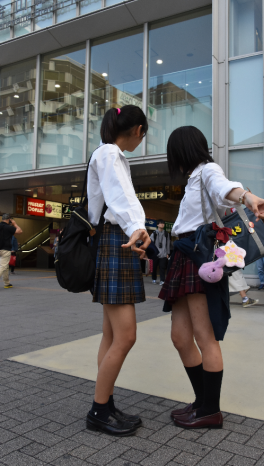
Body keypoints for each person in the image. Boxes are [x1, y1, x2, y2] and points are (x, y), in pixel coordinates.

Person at [159, 126, 264, 429]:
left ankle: (210, 410)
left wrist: (247, 196)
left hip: (199, 259)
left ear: (181, 151)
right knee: (180, 337)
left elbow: (225, 187)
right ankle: (202, 402)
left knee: (205, 337)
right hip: (184, 258)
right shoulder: (194, 178)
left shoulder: (207, 171)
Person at [86, 105, 151, 436]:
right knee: (125, 336)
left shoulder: (106, 153)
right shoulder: (110, 154)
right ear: (138, 130)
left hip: (113, 242)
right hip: (116, 242)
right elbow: (120, 198)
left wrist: (134, 227)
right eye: (144, 135)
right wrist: (137, 226)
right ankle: (99, 410)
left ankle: (105, 402)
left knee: (112, 335)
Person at [0, 214, 22, 288]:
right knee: (3, 266)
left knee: (5, 266)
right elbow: (20, 231)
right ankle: (6, 283)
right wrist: (15, 224)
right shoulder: (9, 227)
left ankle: (7, 283)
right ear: (9, 220)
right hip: (5, 249)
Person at [151, 220, 171, 285]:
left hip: (164, 254)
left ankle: (162, 280)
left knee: (162, 267)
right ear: (157, 225)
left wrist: (168, 253)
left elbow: (168, 244)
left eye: (163, 223)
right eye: (161, 223)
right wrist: (151, 253)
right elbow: (150, 243)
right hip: (155, 254)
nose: (162, 224)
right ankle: (154, 279)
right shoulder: (154, 233)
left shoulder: (166, 234)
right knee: (154, 267)